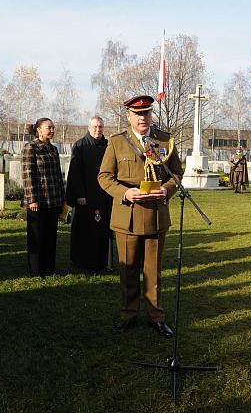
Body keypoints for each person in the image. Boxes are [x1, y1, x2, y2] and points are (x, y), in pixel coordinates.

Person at [98, 95, 183, 338]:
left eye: (146, 113)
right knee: (128, 270)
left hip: (156, 215)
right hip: (127, 216)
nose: (142, 117)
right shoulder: (116, 142)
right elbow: (104, 176)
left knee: (153, 271)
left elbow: (176, 173)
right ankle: (128, 314)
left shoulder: (164, 140)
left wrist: (166, 189)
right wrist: (125, 193)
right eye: (137, 114)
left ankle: (156, 316)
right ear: (128, 116)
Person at [65, 116, 113, 273]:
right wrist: (79, 194)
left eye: (100, 127)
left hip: (104, 195)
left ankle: (101, 261)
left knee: (102, 228)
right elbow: (75, 173)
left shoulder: (108, 145)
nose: (98, 130)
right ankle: (82, 261)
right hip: (85, 196)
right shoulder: (80, 145)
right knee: (85, 230)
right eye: (95, 127)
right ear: (88, 127)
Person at [21, 117, 65, 277]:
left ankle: (49, 268)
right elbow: (27, 174)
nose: (52, 130)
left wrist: (62, 198)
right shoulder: (31, 148)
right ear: (39, 130)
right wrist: (31, 199)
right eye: (49, 127)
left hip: (53, 200)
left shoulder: (53, 149)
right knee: (36, 237)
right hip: (38, 202)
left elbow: (58, 176)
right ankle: (36, 270)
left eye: (53, 128)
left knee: (50, 236)